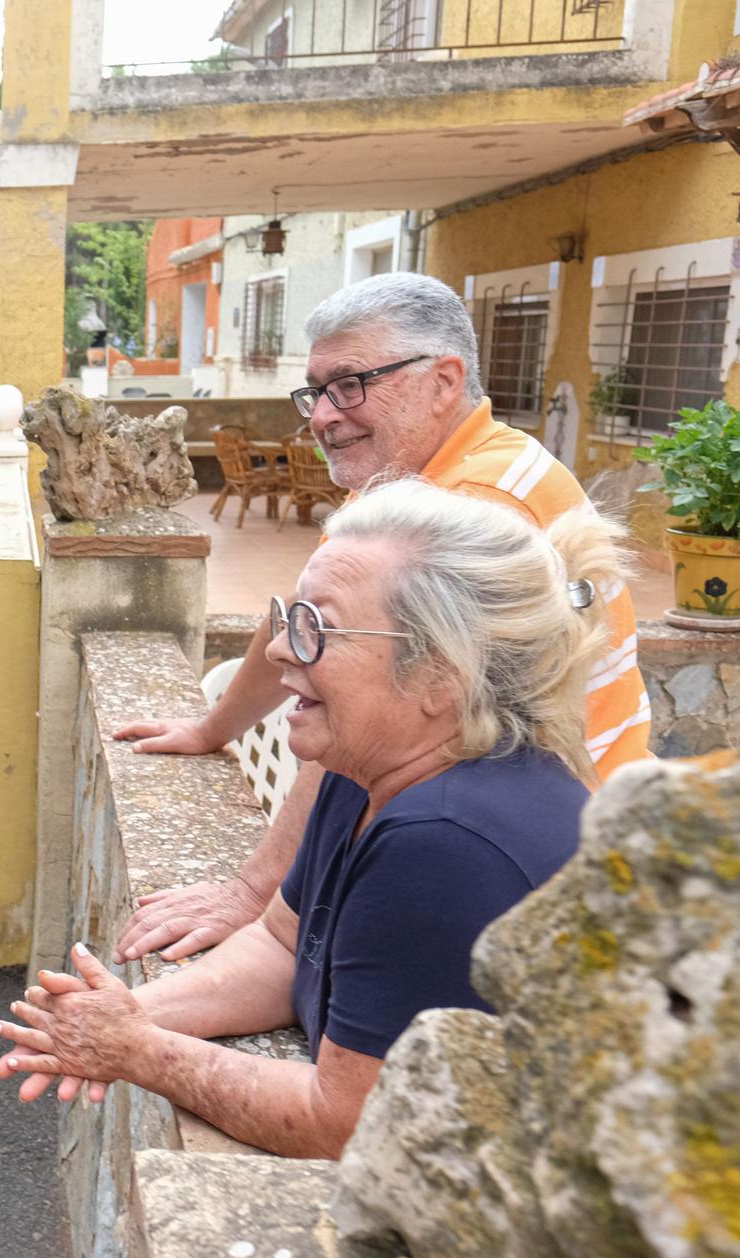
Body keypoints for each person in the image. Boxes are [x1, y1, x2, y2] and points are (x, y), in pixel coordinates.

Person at [0, 480, 625, 1157]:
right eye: (289, 616)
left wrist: (140, 1052)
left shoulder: (447, 843)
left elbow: (346, 1123)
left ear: (440, 675)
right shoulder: (367, 770)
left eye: (317, 628)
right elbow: (283, 946)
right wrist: (123, 1017)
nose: (277, 649)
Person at [108, 271, 653, 968]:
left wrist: (251, 895)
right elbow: (305, 626)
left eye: (351, 385)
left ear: (444, 380)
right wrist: (211, 729)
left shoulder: (477, 505)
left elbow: (356, 713)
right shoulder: (420, 482)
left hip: (557, 867)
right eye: (316, 392)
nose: (324, 415)